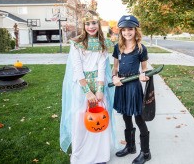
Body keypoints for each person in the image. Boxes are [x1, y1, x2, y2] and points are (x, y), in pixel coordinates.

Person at [60, 10, 116, 164]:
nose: (91, 26)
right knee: (80, 119)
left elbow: (101, 67)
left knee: (99, 117)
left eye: (94, 23)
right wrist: (87, 92)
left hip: (98, 85)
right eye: (87, 23)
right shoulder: (77, 43)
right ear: (83, 25)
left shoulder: (102, 44)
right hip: (81, 86)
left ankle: (100, 156)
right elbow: (77, 69)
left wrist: (99, 90)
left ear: (98, 24)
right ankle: (80, 157)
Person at [112, 15, 151, 164]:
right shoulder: (118, 47)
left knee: (139, 118)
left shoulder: (141, 48)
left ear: (135, 30)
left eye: (130, 29)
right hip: (121, 86)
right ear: (121, 31)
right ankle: (130, 146)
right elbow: (115, 67)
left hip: (133, 85)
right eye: (124, 30)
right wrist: (114, 77)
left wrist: (143, 75)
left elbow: (144, 68)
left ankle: (146, 152)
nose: (127, 32)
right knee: (126, 117)